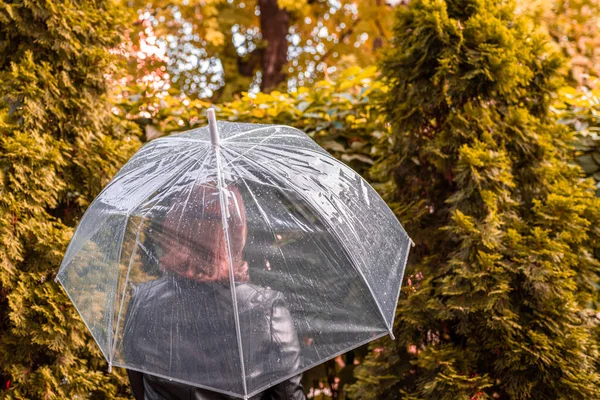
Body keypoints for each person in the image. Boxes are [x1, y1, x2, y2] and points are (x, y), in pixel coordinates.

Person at [121, 183, 306, 400]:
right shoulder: (268, 309)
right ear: (237, 232)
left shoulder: (144, 300)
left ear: (177, 229)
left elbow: (139, 389)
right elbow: (289, 395)